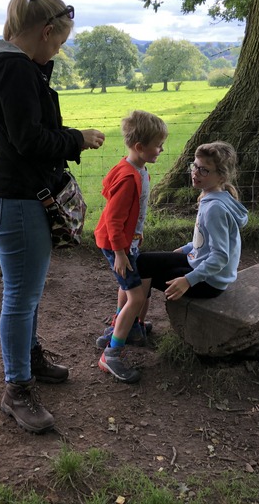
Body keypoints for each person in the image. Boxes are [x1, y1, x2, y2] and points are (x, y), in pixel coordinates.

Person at [0, 0, 105, 434]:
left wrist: (41, 72)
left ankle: (28, 361)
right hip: (17, 198)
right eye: (59, 42)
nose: (59, 52)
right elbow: (30, 141)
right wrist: (77, 138)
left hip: (10, 195)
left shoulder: (7, 67)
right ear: (46, 32)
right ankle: (17, 388)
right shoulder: (16, 71)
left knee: (25, 293)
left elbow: (26, 127)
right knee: (20, 296)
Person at [94, 110, 168, 383]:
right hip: (118, 246)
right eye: (158, 145)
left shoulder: (137, 169)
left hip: (127, 243)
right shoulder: (128, 178)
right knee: (136, 296)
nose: (161, 149)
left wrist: (135, 236)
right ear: (139, 146)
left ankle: (126, 327)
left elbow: (130, 212)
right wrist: (120, 252)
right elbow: (113, 219)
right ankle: (112, 353)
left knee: (128, 288)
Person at [137, 141, 248, 301]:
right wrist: (185, 249)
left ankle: (133, 315)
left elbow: (220, 256)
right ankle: (134, 314)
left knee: (147, 272)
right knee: (143, 261)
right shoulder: (212, 197)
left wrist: (188, 280)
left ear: (221, 177)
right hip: (198, 261)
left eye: (204, 170)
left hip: (210, 283)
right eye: (195, 166)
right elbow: (205, 241)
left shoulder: (215, 208)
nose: (195, 173)